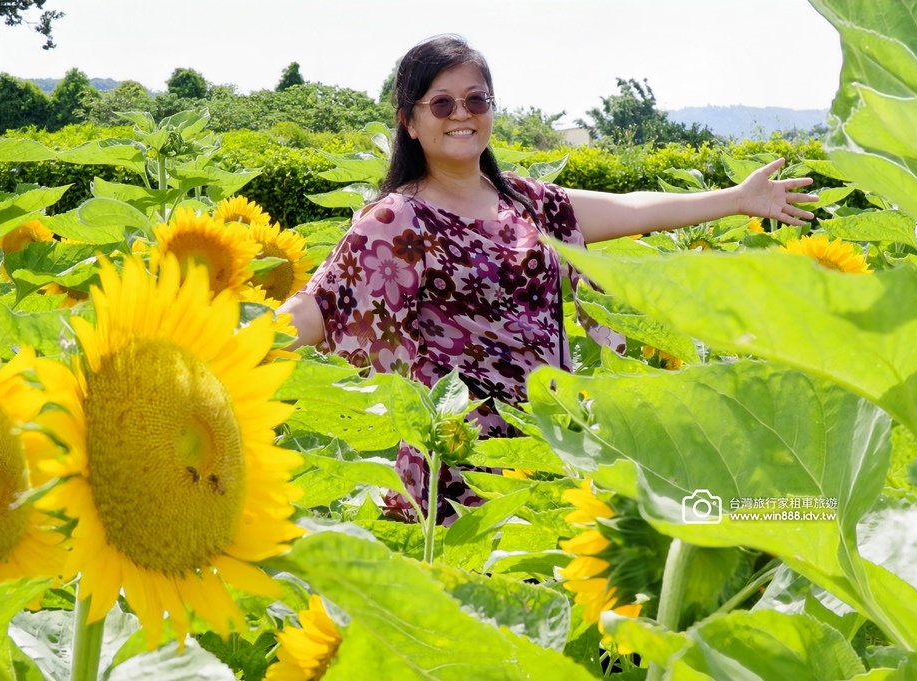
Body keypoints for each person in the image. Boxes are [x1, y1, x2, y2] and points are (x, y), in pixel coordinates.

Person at [279, 34, 817, 525]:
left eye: (476, 100)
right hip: (459, 456)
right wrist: (233, 342)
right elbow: (319, 307)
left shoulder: (525, 201)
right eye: (442, 103)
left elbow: (629, 208)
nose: (461, 114)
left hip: (546, 444)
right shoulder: (399, 219)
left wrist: (735, 199)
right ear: (410, 121)